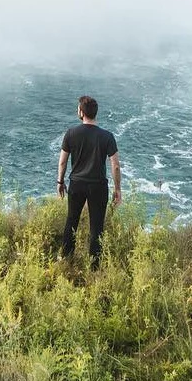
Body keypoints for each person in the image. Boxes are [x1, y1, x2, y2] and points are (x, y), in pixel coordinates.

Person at [57, 95, 121, 266]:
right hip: (98, 186)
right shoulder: (107, 136)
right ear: (95, 113)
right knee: (96, 228)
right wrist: (118, 189)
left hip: (77, 184)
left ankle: (65, 259)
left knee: (72, 222)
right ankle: (94, 267)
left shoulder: (71, 133)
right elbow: (115, 165)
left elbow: (63, 161)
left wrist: (60, 182)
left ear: (81, 112)